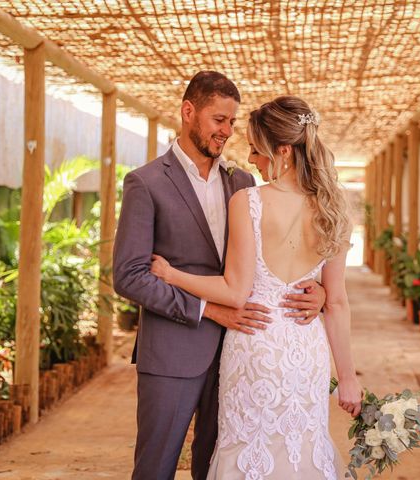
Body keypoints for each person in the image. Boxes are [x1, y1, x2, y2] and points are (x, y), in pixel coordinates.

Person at [113, 73, 327, 480]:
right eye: (218, 120)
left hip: (238, 356)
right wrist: (208, 309)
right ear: (188, 112)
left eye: (232, 122)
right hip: (172, 355)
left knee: (216, 467)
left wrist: (316, 289)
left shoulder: (243, 183)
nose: (227, 131)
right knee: (155, 469)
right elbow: (130, 276)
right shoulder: (146, 182)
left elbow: (278, 256)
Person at [150, 95, 363, 479]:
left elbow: (235, 292)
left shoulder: (248, 201)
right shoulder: (335, 209)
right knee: (302, 447)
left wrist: (172, 275)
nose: (250, 160)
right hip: (305, 352)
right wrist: (347, 377)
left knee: (247, 450)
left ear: (283, 150)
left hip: (254, 346)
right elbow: (339, 302)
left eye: (255, 149)